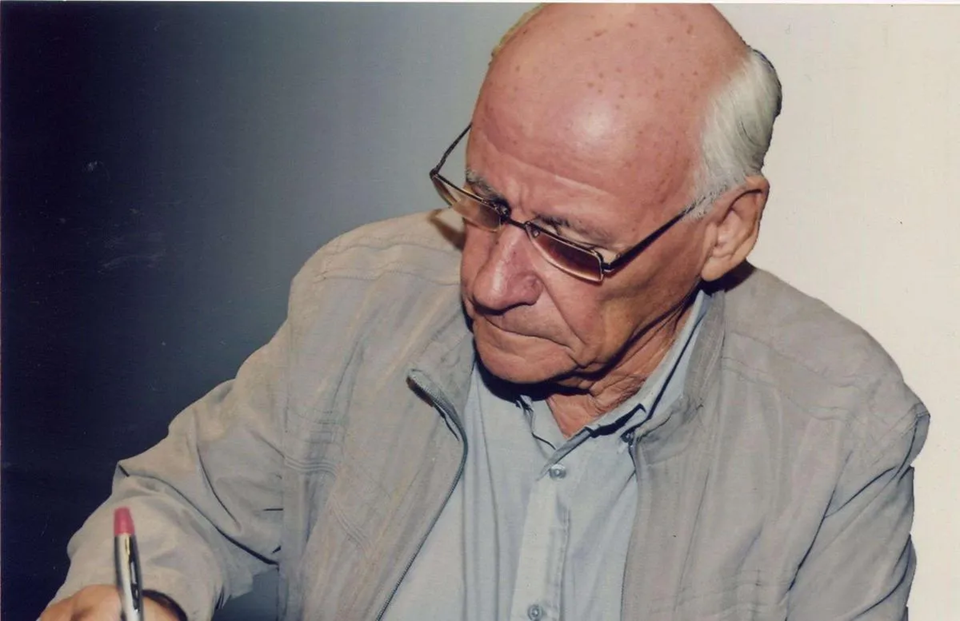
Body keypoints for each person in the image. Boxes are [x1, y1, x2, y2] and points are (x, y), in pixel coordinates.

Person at [41, 4, 929, 620]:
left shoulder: (841, 425)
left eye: (572, 243)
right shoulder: (363, 297)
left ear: (725, 229)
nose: (492, 282)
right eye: (487, 203)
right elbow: (182, 503)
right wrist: (143, 596)